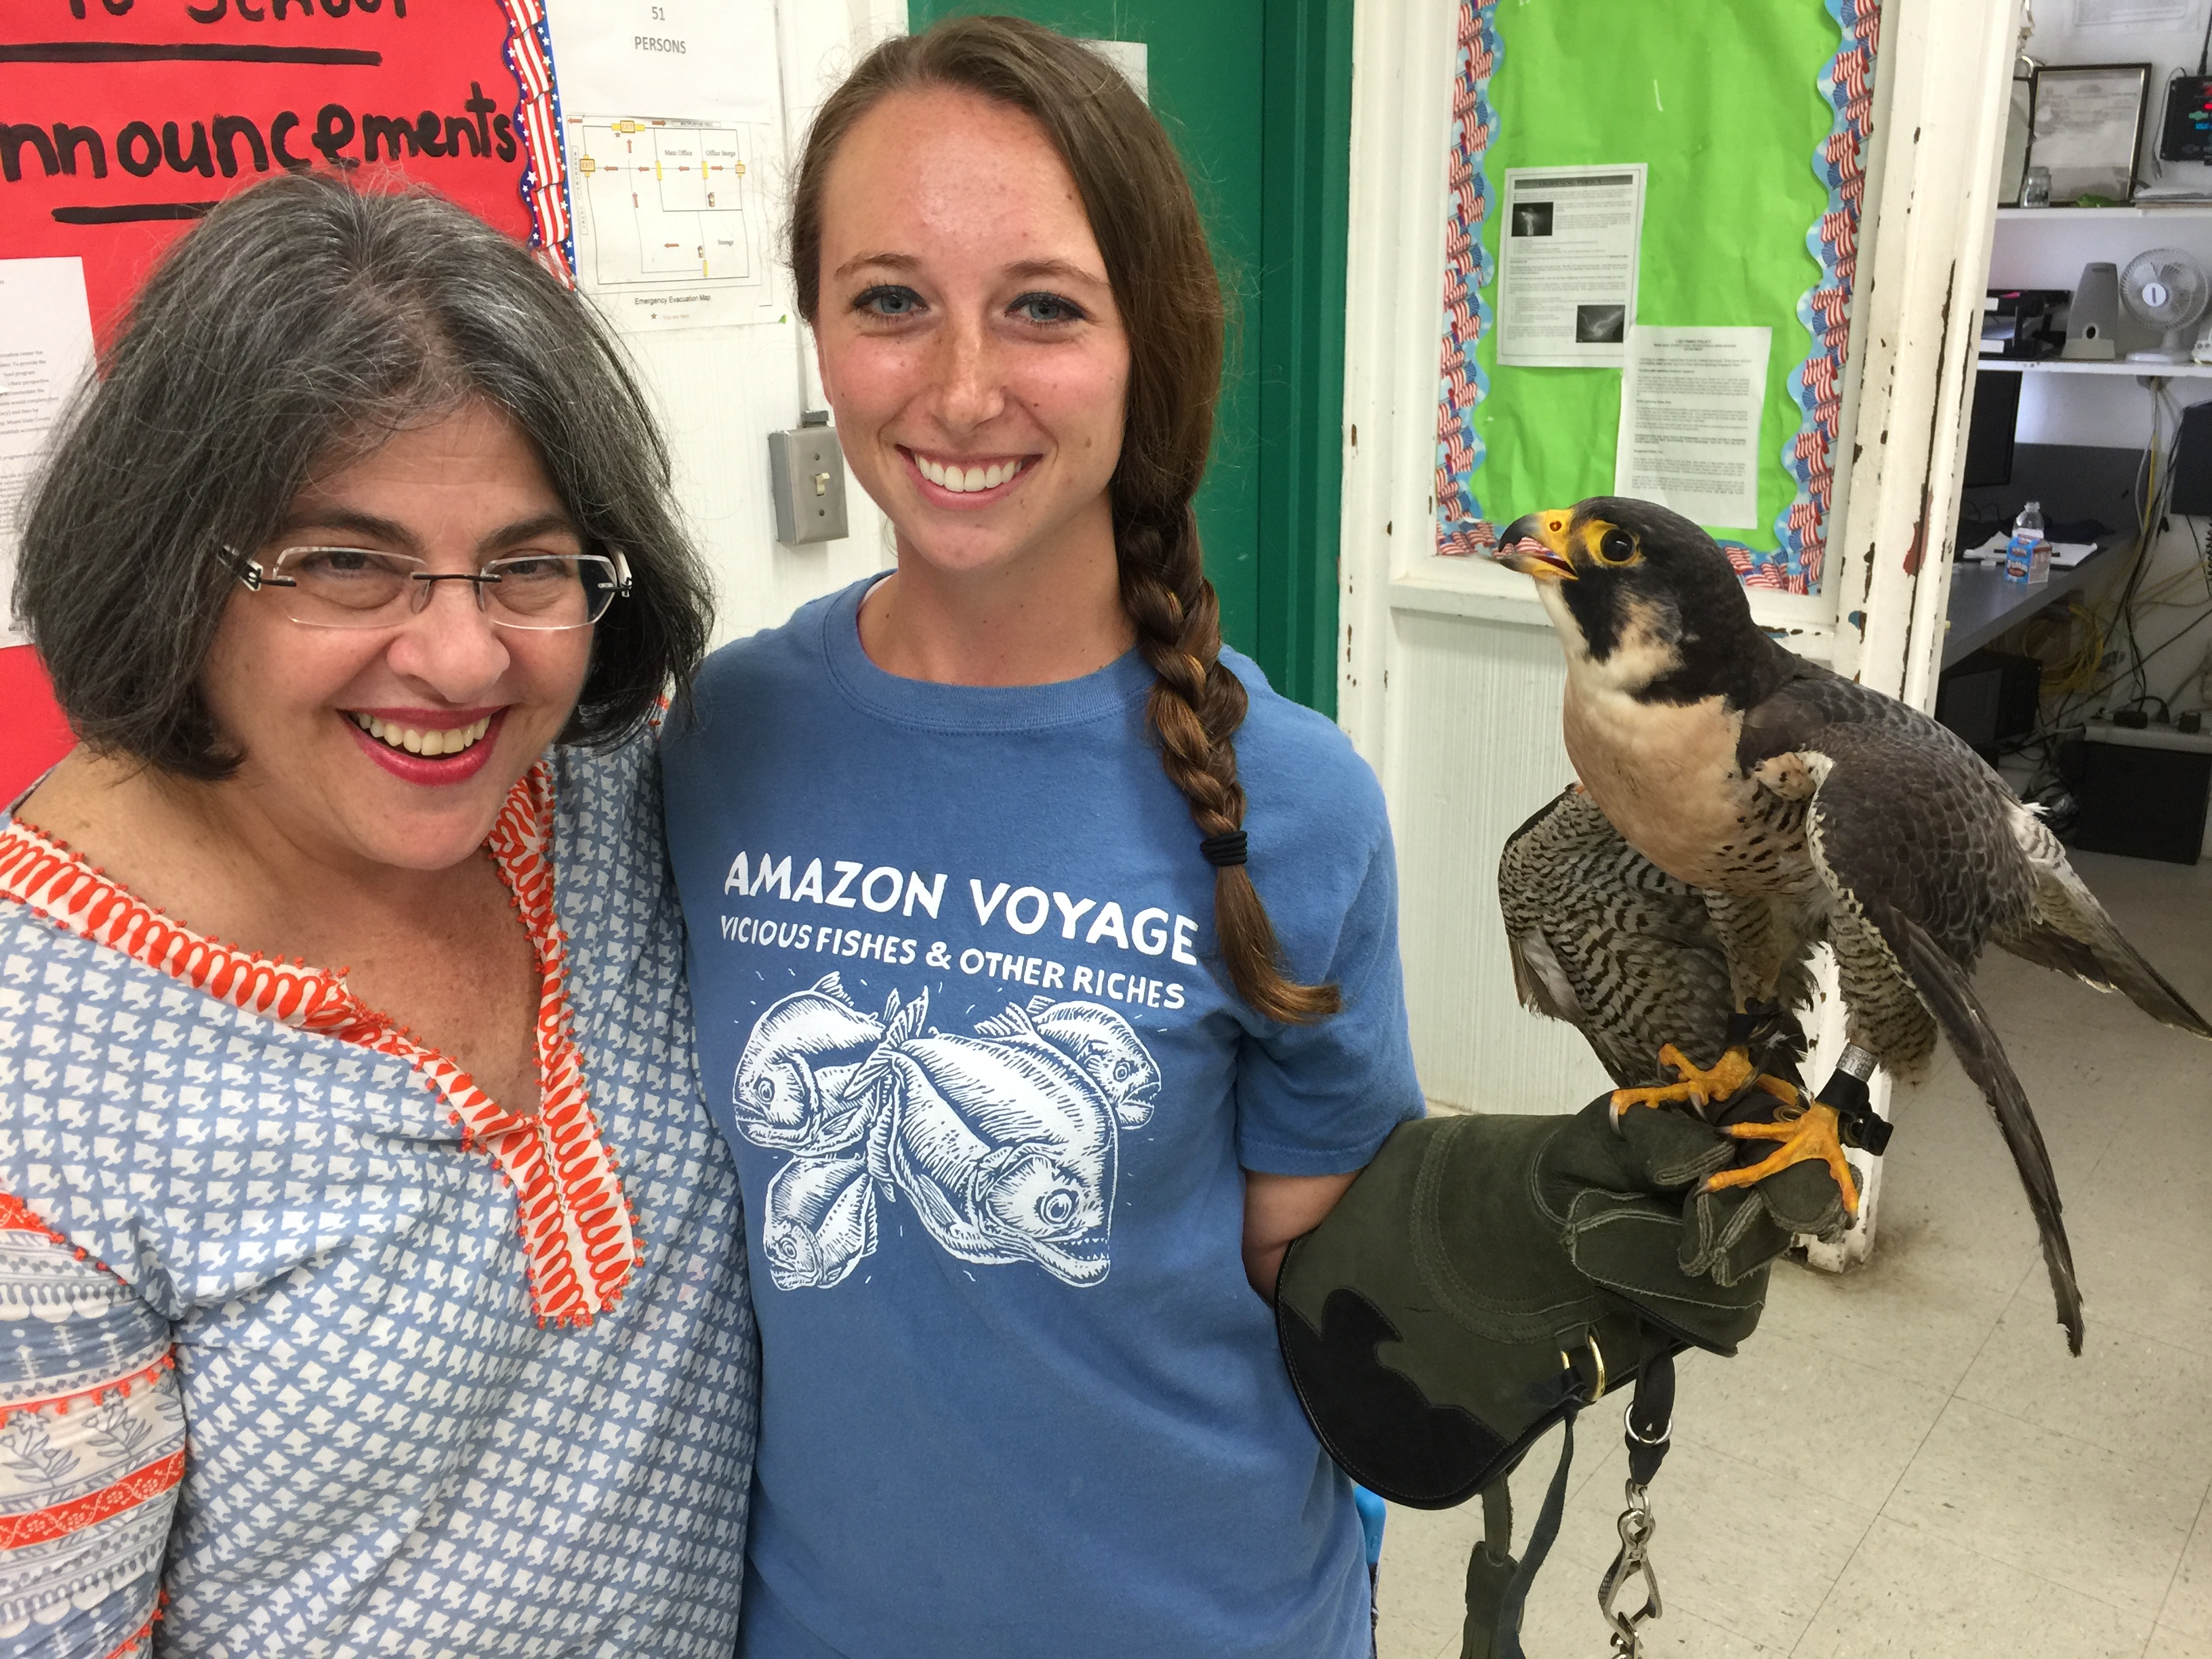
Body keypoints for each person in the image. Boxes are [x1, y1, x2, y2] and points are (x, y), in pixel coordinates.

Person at [659, 18, 1423, 1657]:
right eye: (889, 302)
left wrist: (1514, 1269)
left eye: (1044, 309)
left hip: (1212, 1620)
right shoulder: (725, 738)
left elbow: (1315, 1276)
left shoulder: (1290, 801)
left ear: (1151, 341)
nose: (960, 389)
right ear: (818, 329)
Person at [0, 176, 756, 1657]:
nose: (465, 659)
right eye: (346, 562)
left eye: (528, 565)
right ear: (173, 565)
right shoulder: (39, 1072)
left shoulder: (604, 801)